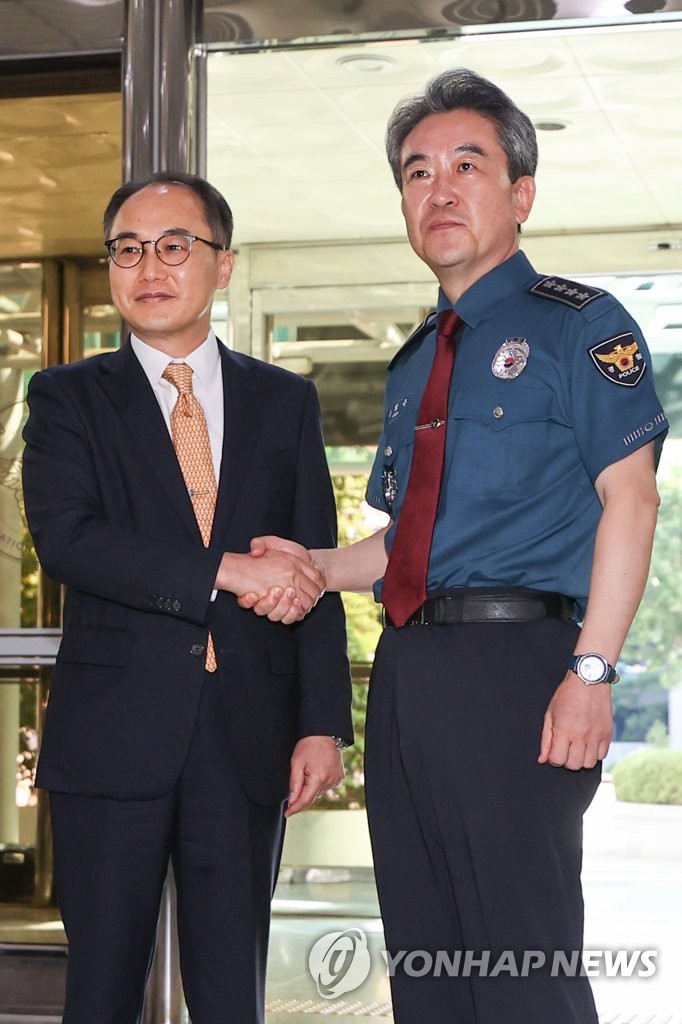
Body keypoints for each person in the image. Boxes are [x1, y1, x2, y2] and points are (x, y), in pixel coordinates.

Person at [243, 69, 668, 1023]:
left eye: (466, 166)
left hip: (519, 672)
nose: (438, 189)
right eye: (417, 172)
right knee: (428, 962)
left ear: (521, 194)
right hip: (409, 676)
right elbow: (407, 544)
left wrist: (591, 671)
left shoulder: (580, 325)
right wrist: (311, 569)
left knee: (523, 962)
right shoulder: (413, 362)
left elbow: (632, 501)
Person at [21, 171, 352, 1024]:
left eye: (174, 246)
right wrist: (226, 571)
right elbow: (70, 540)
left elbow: (311, 564)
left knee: (231, 995)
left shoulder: (284, 400)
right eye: (128, 249)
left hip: (246, 738)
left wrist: (322, 723)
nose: (149, 267)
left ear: (223, 265)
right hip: (113, 738)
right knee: (100, 996)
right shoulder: (66, 397)